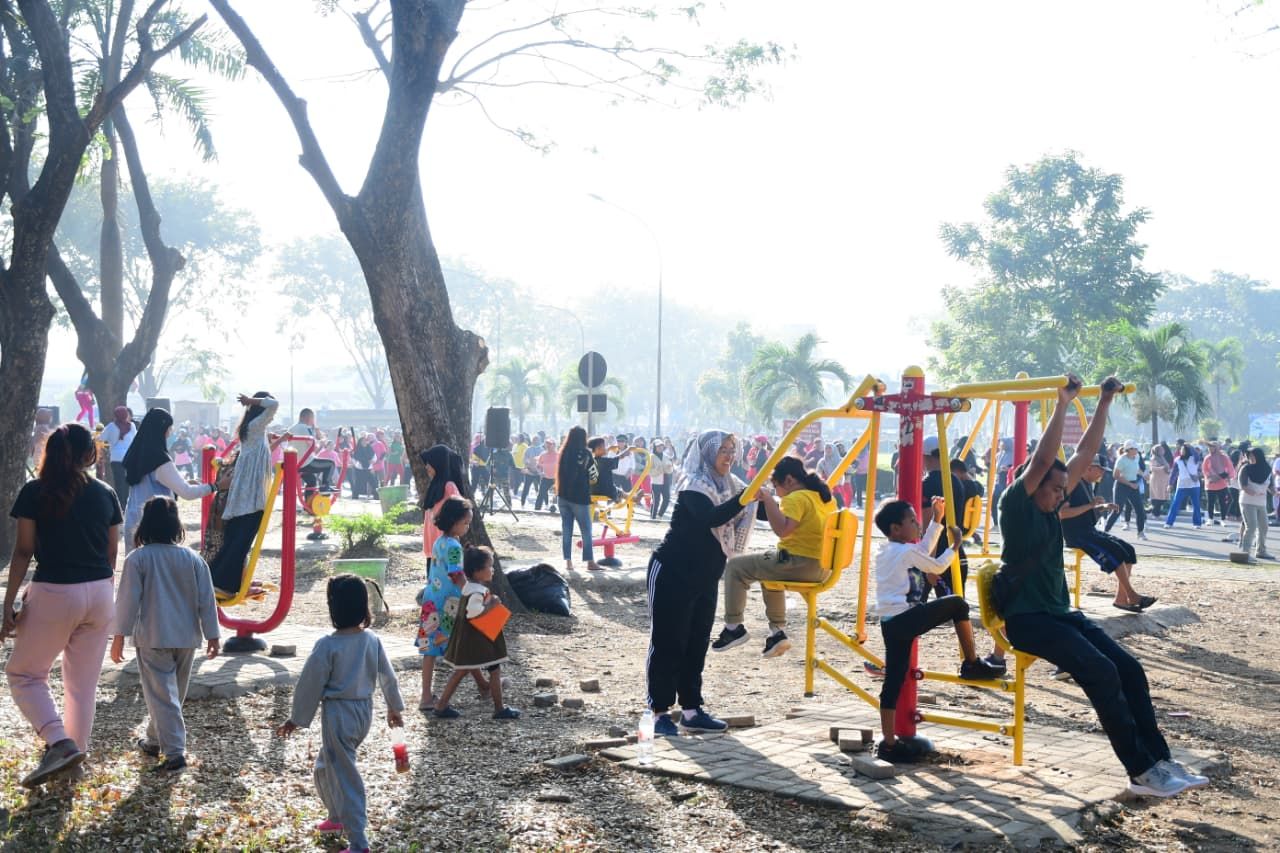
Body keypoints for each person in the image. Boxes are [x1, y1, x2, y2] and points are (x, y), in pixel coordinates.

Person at [998, 374, 1206, 797]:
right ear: (1033, 485)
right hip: (1028, 620)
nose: (1060, 495)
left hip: (1061, 615)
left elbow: (1084, 452)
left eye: (1063, 488)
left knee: (1129, 669)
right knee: (1101, 671)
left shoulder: (1049, 505)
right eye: (1054, 489)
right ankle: (1141, 772)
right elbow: (1044, 460)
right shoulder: (1017, 506)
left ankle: (1159, 760)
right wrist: (1062, 403)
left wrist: (1106, 401)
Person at [2, 424, 122, 788]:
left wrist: (8, 604)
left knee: (24, 674)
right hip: (100, 592)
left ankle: (60, 741)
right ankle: (73, 762)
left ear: (49, 453)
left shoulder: (35, 492)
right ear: (90, 455)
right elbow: (112, 551)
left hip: (56, 590)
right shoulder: (106, 493)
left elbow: (23, 551)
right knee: (82, 686)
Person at [277, 574, 405, 853]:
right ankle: (336, 817)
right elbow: (388, 677)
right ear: (363, 607)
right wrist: (394, 707)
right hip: (363, 713)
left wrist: (296, 719)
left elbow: (310, 683)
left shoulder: (328, 645)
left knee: (345, 775)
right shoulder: (371, 639)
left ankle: (358, 841)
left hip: (339, 714)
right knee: (326, 765)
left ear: (333, 608)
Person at [872, 497, 1003, 762]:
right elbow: (937, 565)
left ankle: (887, 743)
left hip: (890, 622)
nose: (916, 523)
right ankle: (972, 662)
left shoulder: (887, 551)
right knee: (957, 604)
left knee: (893, 681)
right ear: (896, 529)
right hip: (906, 617)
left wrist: (936, 522)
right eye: (911, 520)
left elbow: (922, 550)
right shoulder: (904, 552)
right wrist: (955, 545)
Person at [646, 430, 757, 736]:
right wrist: (746, 498)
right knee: (668, 642)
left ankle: (692, 709)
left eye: (731, 450)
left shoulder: (731, 486)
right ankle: (658, 712)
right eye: (722, 449)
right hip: (672, 573)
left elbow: (737, 513)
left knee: (696, 644)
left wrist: (750, 496)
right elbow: (713, 517)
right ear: (707, 453)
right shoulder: (695, 485)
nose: (728, 455)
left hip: (705, 579)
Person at [110, 497, 221, 771]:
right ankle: (153, 740)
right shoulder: (192, 559)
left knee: (162, 696)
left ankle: (175, 754)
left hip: (153, 636)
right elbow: (207, 600)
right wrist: (213, 635)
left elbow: (127, 601)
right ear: (176, 525)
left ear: (144, 524)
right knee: (172, 696)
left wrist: (119, 635)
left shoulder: (138, 559)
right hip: (187, 637)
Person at [712, 457, 834, 658]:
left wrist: (768, 500)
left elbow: (783, 530)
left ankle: (733, 627)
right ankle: (777, 633)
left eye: (776, 486)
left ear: (789, 480)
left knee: (735, 566)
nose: (776, 492)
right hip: (823, 567)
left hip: (800, 563)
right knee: (768, 570)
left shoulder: (796, 498)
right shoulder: (822, 497)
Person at [431, 546, 520, 720]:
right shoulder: (476, 592)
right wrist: (492, 605)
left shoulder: (470, 588)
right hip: (478, 641)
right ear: (477, 572)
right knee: (494, 669)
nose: (492, 569)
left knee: (462, 671)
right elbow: (474, 613)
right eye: (489, 566)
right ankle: (499, 708)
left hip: (471, 639)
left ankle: (441, 705)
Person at [418, 496, 488, 709]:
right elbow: (456, 574)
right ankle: (482, 684)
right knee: (464, 645)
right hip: (450, 604)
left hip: (431, 600)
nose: (467, 527)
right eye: (465, 523)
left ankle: (426, 696)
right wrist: (473, 591)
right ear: (454, 521)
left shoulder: (439, 541)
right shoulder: (455, 547)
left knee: (430, 649)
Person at [1059, 457, 1155, 612]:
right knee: (1115, 552)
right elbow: (1062, 513)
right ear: (1089, 467)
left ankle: (1122, 599)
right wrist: (1091, 505)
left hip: (1089, 530)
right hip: (1077, 534)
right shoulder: (1072, 485)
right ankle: (1132, 595)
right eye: (1101, 470)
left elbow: (1086, 509)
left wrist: (1102, 507)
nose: (1102, 474)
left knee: (1128, 550)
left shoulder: (1087, 485)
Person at [208, 392, 280, 596]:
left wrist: (280, 439)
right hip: (251, 496)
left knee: (237, 538)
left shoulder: (253, 429)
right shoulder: (256, 426)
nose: (272, 416)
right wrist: (250, 401)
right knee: (241, 540)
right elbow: (274, 404)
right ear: (260, 410)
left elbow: (263, 453)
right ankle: (227, 584)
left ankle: (225, 580)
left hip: (244, 493)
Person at [121, 408, 215, 554]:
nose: (170, 432)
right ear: (161, 429)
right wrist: (214, 486)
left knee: (136, 571)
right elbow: (187, 493)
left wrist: (182, 482)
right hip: (155, 527)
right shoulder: (159, 459)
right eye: (169, 428)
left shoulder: (136, 453)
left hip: (133, 522)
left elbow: (153, 482)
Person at [556, 427, 600, 572]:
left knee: (567, 529)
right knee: (586, 530)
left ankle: (568, 562)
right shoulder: (586, 453)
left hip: (562, 496)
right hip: (580, 498)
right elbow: (594, 476)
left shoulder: (563, 452)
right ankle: (589, 562)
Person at [420, 444, 466, 562]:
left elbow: (456, 575)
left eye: (429, 463)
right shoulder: (435, 485)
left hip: (445, 549)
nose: (426, 467)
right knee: (434, 577)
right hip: (434, 548)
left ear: (439, 463)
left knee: (447, 576)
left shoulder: (449, 487)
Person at [1105, 441, 1149, 540]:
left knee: (1140, 510)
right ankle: (1105, 531)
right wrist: (1130, 484)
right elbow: (1115, 476)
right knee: (1117, 509)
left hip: (1133, 485)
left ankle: (1140, 532)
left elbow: (1137, 469)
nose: (1137, 451)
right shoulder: (1121, 460)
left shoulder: (1136, 457)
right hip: (1122, 486)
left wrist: (1144, 475)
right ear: (1129, 449)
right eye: (1135, 449)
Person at [288, 408, 336, 492]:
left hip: (295, 463)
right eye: (313, 418)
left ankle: (308, 503)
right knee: (331, 464)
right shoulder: (306, 428)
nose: (313, 421)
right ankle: (325, 487)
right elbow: (314, 449)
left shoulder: (291, 429)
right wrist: (322, 443)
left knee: (312, 481)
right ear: (308, 418)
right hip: (307, 462)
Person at [1238, 448, 1273, 561]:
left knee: (1264, 526)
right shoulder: (1245, 469)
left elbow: (1270, 486)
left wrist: (1275, 492)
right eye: (1249, 456)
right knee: (1251, 526)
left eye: (1253, 456)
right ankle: (1245, 553)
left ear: (1259, 456)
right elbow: (1243, 485)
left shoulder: (1267, 469)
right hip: (1247, 502)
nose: (1251, 458)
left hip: (1261, 503)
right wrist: (1251, 491)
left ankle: (1261, 551)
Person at [101, 405, 136, 511]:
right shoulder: (132, 426)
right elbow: (135, 440)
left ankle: (119, 505)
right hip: (128, 458)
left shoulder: (111, 426)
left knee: (118, 482)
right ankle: (126, 504)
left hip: (116, 458)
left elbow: (101, 438)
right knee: (126, 483)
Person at [1164, 444, 1204, 528]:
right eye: (1181, 450)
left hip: (1194, 485)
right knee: (1175, 504)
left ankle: (1197, 523)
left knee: (1196, 505)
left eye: (1183, 450)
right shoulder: (1177, 460)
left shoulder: (1194, 459)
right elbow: (1174, 473)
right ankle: (1169, 522)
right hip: (1182, 486)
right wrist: (1170, 484)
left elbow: (1196, 454)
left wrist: (1190, 446)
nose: (1181, 451)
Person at [1201, 442, 1236, 527]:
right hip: (1210, 484)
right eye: (1209, 447)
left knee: (1222, 502)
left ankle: (1223, 519)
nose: (1210, 449)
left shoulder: (1224, 457)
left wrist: (1225, 476)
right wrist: (1210, 477)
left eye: (1212, 447)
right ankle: (1210, 519)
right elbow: (1204, 470)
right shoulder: (1207, 458)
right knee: (1210, 502)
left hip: (1221, 484)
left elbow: (1230, 468)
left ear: (1216, 448)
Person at [28, 408, 56, 474]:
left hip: (39, 457)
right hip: (42, 458)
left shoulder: (38, 428)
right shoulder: (42, 428)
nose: (51, 418)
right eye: (49, 416)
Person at [649, 440, 673, 519]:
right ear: (655, 447)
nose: (660, 447)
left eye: (661, 446)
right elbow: (649, 471)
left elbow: (671, 469)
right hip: (656, 481)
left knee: (667, 498)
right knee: (656, 500)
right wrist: (658, 470)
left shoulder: (666, 456)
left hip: (666, 480)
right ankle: (652, 517)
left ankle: (660, 515)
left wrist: (669, 468)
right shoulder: (651, 456)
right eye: (658, 446)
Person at [534, 437, 558, 512]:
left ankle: (563, 510)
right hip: (546, 478)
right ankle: (537, 510)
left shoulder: (559, 455)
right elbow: (538, 466)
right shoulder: (543, 455)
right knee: (541, 494)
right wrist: (540, 472)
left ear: (554, 445)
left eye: (550, 444)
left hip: (556, 478)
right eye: (547, 444)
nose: (548, 446)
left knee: (562, 495)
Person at [1148, 444, 1171, 519]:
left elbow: (1167, 467)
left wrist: (1168, 470)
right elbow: (1153, 468)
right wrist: (1163, 468)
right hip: (1157, 481)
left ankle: (1156, 513)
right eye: (1161, 449)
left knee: (1163, 498)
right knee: (1158, 498)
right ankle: (1155, 514)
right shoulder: (1154, 458)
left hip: (1164, 481)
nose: (1163, 451)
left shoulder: (1162, 458)